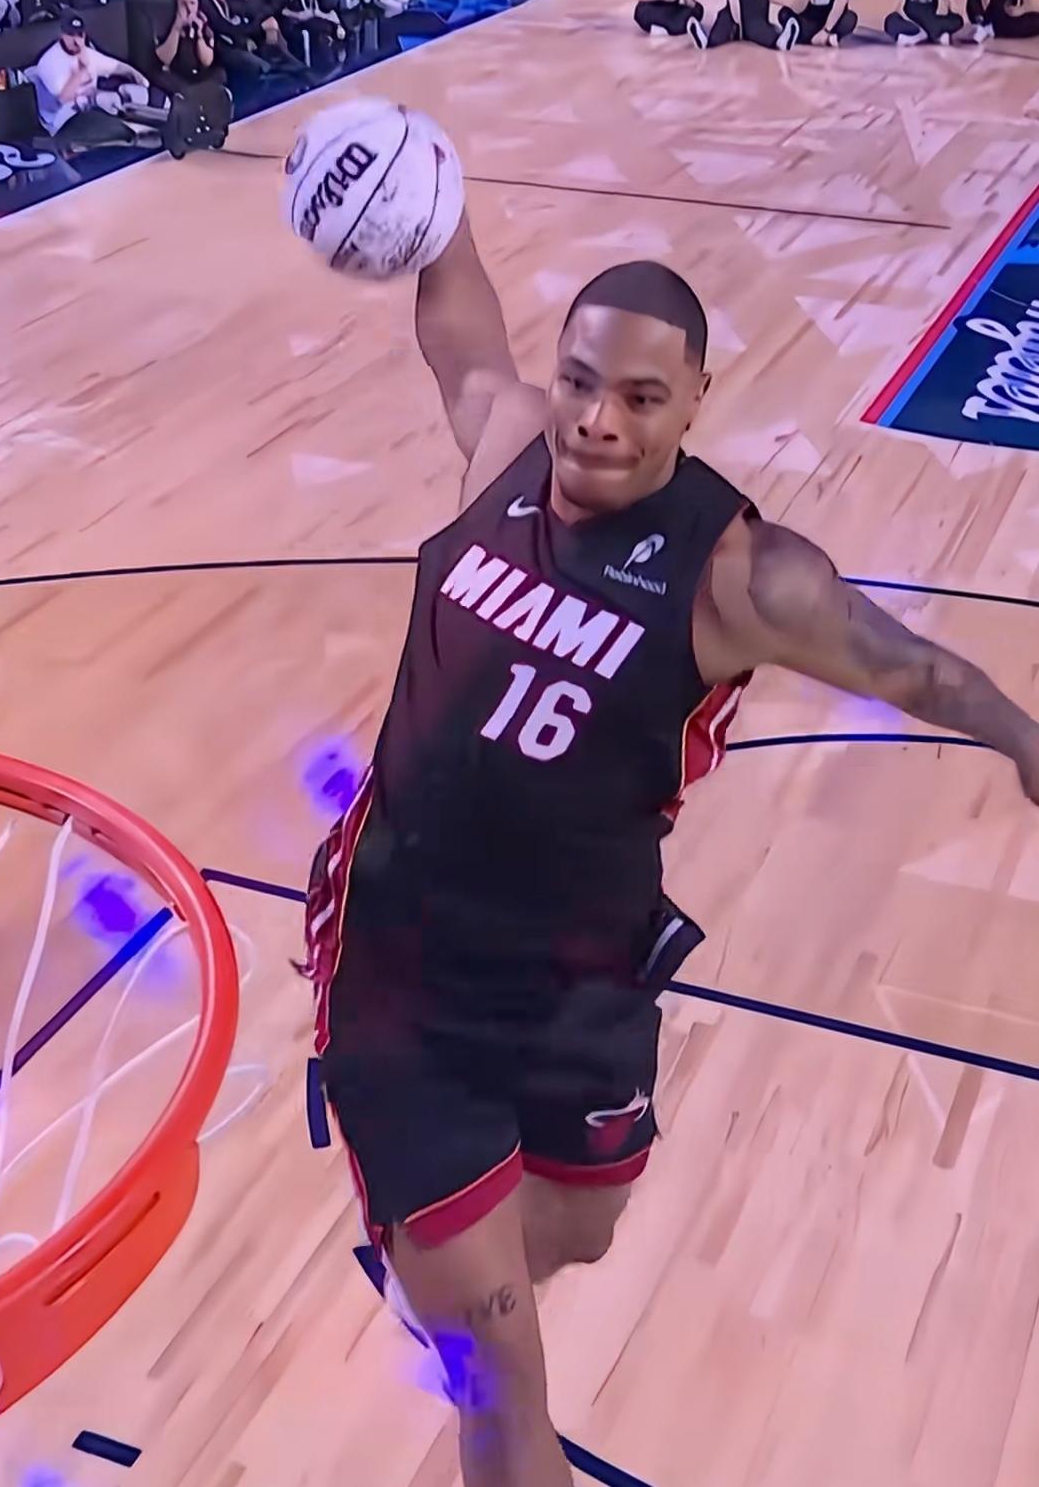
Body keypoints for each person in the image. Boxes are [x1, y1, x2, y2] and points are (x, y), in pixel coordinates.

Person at [300, 200, 1039, 1487]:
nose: (597, 420)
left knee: (580, 1230)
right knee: (501, 1370)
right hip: (404, 976)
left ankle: (452, 1261)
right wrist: (438, 210)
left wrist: (1025, 739)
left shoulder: (743, 577)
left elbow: (914, 669)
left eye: (641, 398)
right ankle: (456, 1281)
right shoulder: (506, 447)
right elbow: (463, 345)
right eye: (581, 382)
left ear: (696, 401)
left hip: (581, 975)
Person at [32, 12, 149, 135]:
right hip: (60, 119)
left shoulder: (87, 53)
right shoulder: (49, 61)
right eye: (71, 35)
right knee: (101, 104)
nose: (76, 41)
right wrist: (81, 72)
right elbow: (63, 98)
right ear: (62, 35)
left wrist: (140, 79)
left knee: (119, 97)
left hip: (89, 108)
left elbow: (117, 67)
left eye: (80, 35)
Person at [197, 0, 310, 79]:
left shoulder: (230, 0)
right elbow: (226, 28)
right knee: (263, 65)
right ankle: (287, 71)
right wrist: (259, 26)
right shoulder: (205, 5)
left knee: (274, 31)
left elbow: (255, 11)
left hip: (247, 39)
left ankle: (296, 67)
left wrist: (266, 20)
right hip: (229, 48)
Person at [152, 0, 225, 94]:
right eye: (183, 3)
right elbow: (164, 59)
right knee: (159, 77)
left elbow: (207, 61)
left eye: (192, 3)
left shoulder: (205, 28)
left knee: (220, 74)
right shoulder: (167, 25)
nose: (188, 8)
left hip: (199, 75)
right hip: (177, 76)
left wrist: (199, 35)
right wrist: (176, 28)